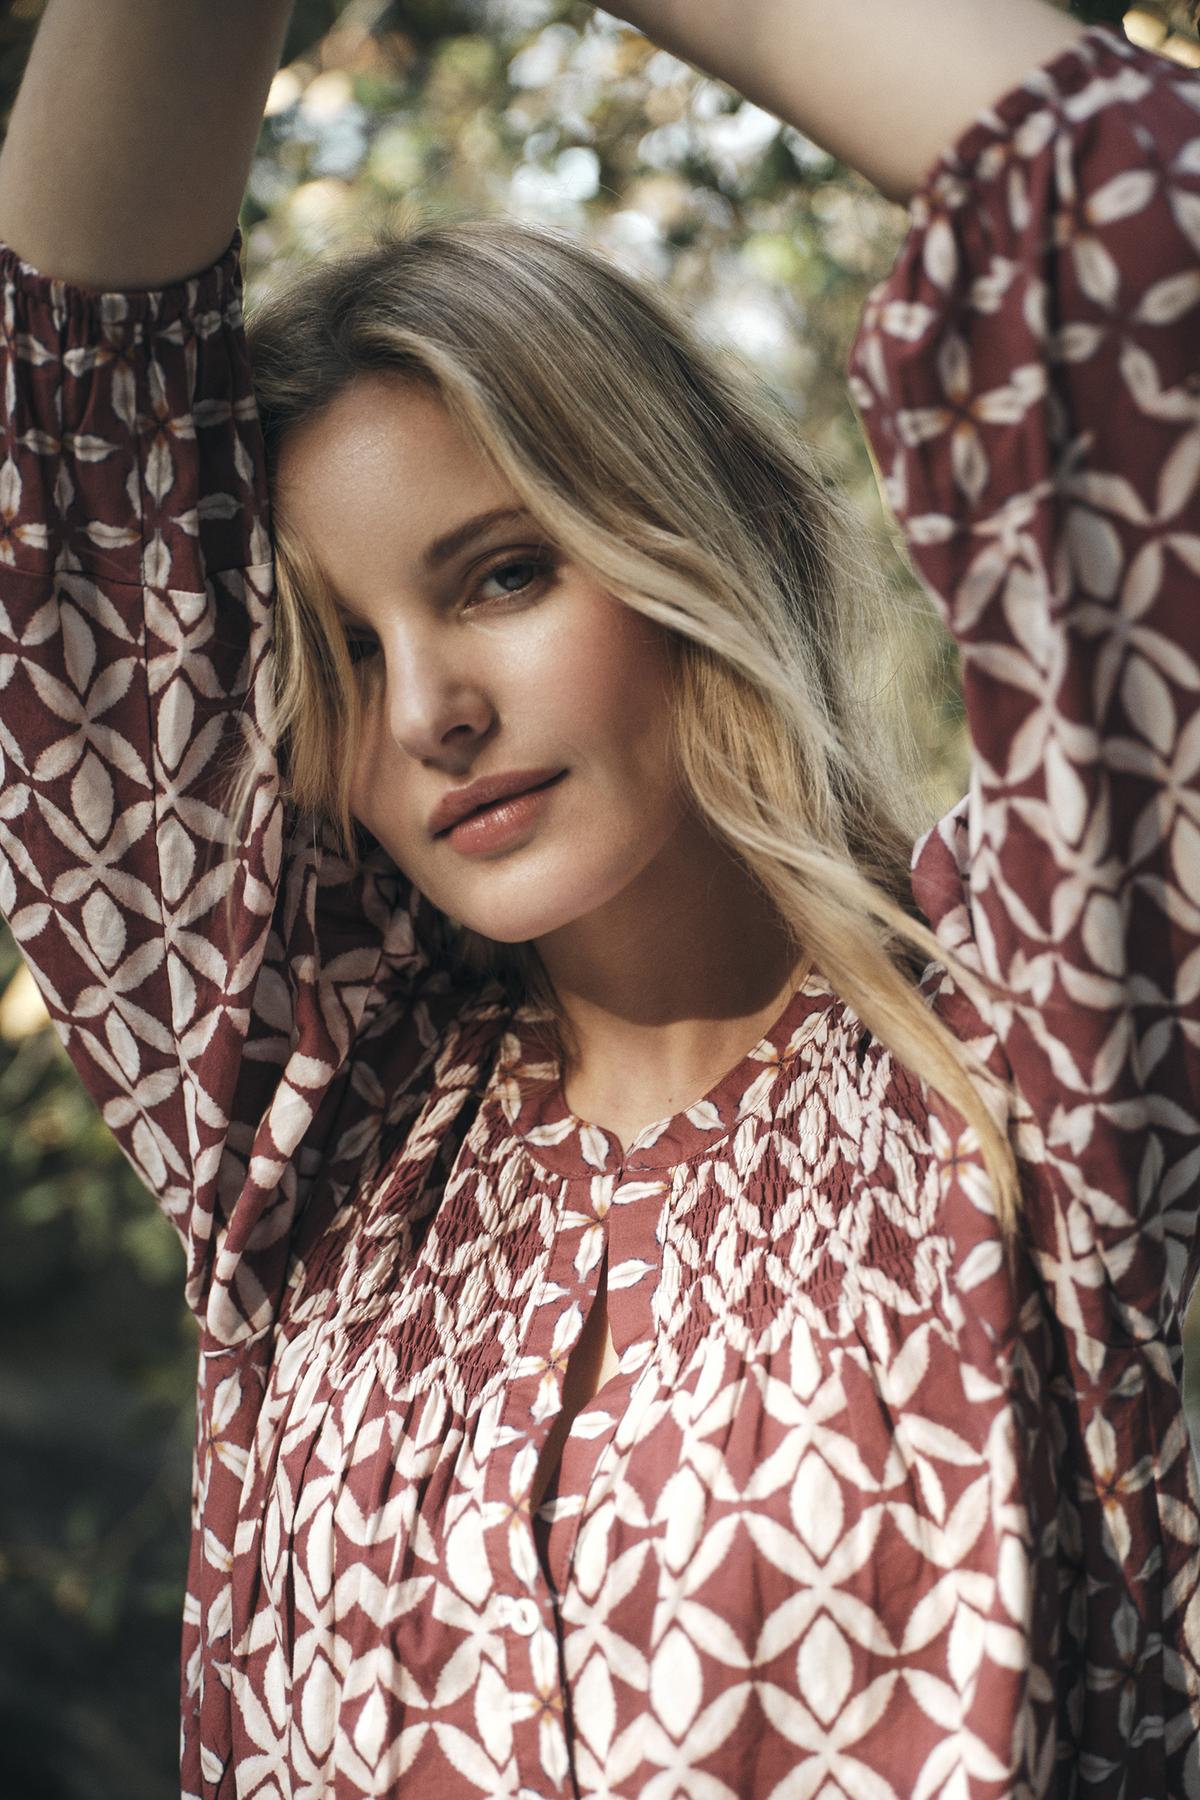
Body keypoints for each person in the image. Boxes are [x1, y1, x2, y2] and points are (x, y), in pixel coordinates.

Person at [0, 0, 1195, 1791]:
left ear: (681, 545)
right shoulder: (308, 1132)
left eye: (497, 576)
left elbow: (1135, 226)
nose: (425, 715)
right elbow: (59, 443)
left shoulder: (1017, 1059)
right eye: (339, 650)